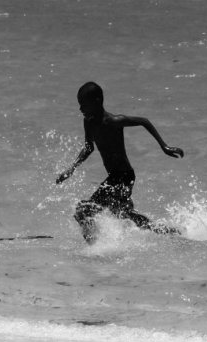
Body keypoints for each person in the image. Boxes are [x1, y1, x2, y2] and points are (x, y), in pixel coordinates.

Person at [56, 81, 184, 243]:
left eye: (83, 105)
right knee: (124, 214)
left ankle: (94, 248)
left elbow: (144, 121)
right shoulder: (88, 122)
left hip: (123, 177)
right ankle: (169, 232)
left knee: (83, 211)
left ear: (96, 101)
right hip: (115, 176)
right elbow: (89, 148)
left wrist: (164, 146)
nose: (80, 109)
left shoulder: (114, 121)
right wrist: (71, 169)